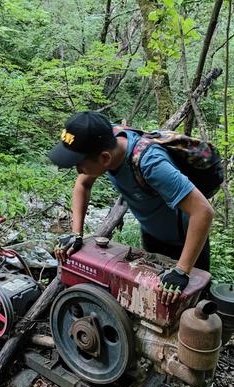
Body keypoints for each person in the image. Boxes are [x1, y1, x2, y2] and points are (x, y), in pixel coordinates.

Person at [49, 111, 214, 306]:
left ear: (105, 158)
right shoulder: (104, 140)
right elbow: (82, 185)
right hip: (152, 234)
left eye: (79, 165)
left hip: (185, 243)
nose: (78, 171)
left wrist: (182, 270)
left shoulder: (151, 164)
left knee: (189, 310)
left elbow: (203, 211)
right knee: (151, 301)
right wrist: (76, 233)